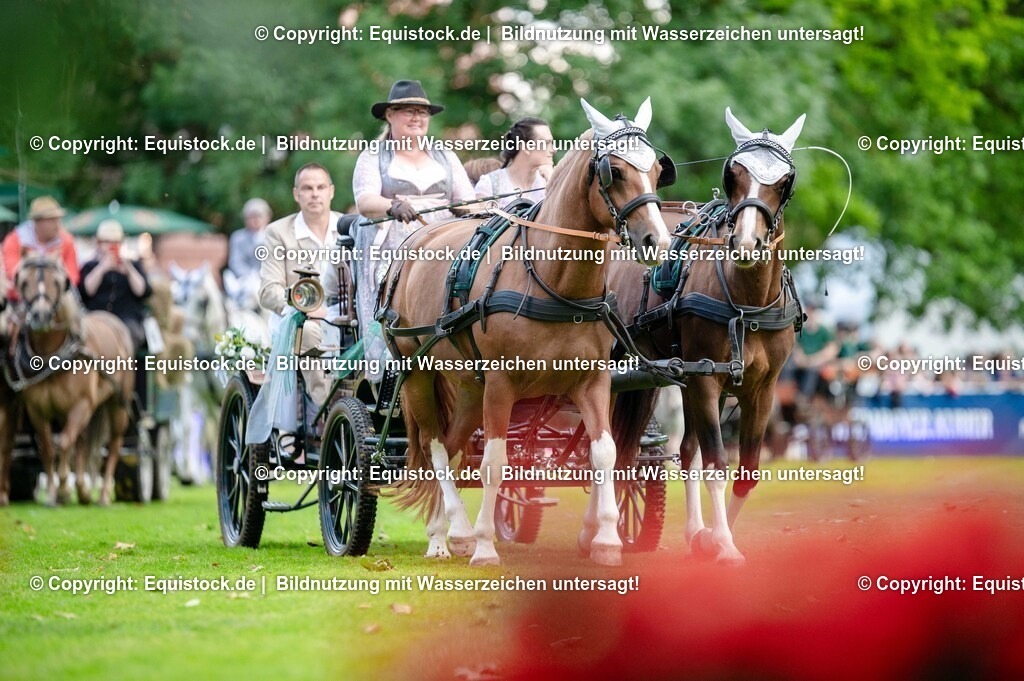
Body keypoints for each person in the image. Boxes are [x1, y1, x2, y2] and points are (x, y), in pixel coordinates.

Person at [352, 79, 477, 375]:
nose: (416, 118)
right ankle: (392, 362)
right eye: (407, 111)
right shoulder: (373, 155)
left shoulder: (445, 155)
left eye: (422, 112)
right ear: (389, 115)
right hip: (395, 240)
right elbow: (364, 200)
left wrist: (466, 208)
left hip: (444, 241)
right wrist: (391, 206)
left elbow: (468, 200)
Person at [258, 163, 341, 419]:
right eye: (307, 188)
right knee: (309, 334)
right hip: (298, 319)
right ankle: (327, 409)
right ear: (297, 194)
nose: (314, 194)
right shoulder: (278, 233)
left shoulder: (349, 227)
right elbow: (268, 291)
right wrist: (304, 307)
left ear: (331, 191)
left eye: (320, 187)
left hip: (344, 315)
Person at [78, 219, 152, 352]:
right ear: (99, 244)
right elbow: (86, 290)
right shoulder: (90, 266)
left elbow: (142, 290)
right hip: (96, 318)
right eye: (106, 242)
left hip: (126, 319)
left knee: (131, 335)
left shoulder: (133, 265)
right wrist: (102, 268)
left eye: (115, 242)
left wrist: (129, 271)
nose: (111, 246)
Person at [2, 196, 80, 300]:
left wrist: (60, 274)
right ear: (37, 222)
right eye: (52, 220)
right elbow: (13, 273)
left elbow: (73, 276)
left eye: (58, 219)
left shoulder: (66, 241)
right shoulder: (14, 240)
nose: (58, 224)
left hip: (56, 300)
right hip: (20, 300)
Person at [474, 117, 554, 203]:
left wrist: (552, 181)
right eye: (546, 143)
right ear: (525, 147)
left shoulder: (547, 181)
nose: (553, 150)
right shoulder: (489, 185)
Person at [228, 198, 272, 281]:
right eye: (251, 217)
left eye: (258, 216)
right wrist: (251, 276)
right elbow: (235, 263)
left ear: (267, 217)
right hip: (245, 280)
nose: (255, 220)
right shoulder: (238, 237)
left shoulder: (275, 237)